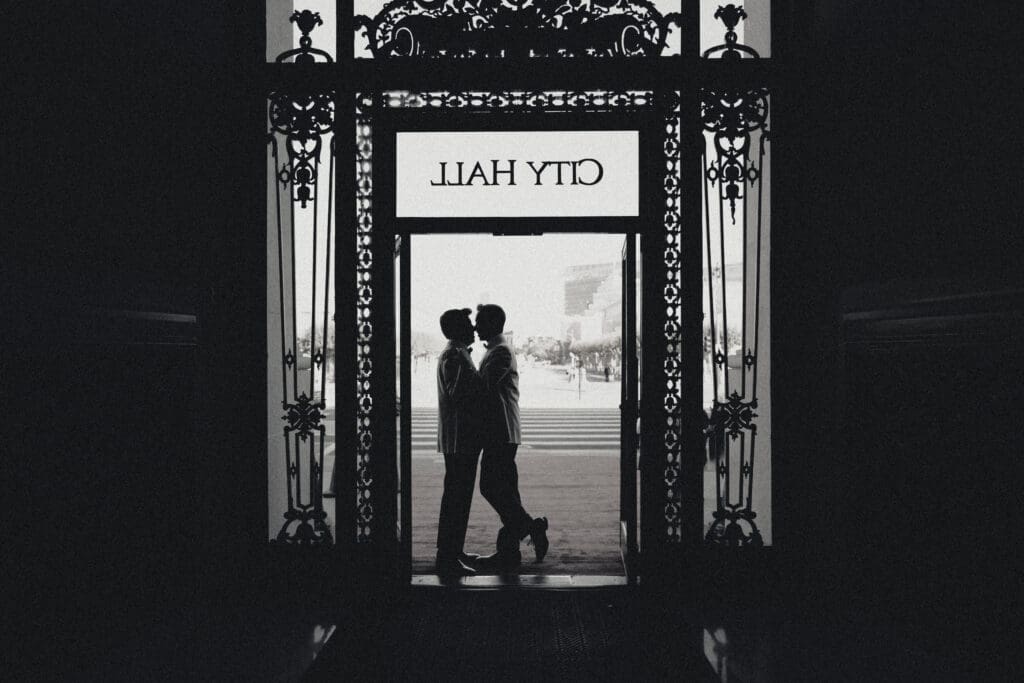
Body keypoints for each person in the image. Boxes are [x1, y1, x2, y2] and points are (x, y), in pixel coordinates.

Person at [473, 304, 548, 572]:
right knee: (506, 490)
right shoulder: (497, 350)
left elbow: (483, 387)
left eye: (479, 321)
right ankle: (509, 551)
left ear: (493, 323)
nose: (475, 326)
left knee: (490, 487)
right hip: (500, 430)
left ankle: (530, 528)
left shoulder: (501, 352)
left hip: (500, 431)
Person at [434, 308, 484, 577]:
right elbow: (457, 394)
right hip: (461, 437)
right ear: (456, 329)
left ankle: (455, 551)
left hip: (461, 437)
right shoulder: (455, 355)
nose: (473, 329)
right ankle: (447, 556)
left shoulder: (457, 352)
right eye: (467, 324)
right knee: (456, 497)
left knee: (459, 496)